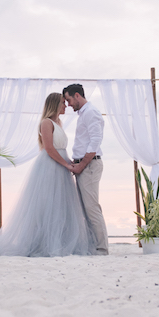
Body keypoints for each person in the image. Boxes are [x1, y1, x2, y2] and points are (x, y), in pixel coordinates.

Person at [0, 92, 96, 257]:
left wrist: (68, 163)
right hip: (51, 166)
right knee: (47, 205)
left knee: (61, 205)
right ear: (54, 104)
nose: (65, 105)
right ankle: (44, 243)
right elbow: (49, 148)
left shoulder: (58, 122)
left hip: (61, 166)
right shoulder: (46, 123)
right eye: (62, 102)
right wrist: (66, 164)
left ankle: (60, 240)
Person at [63, 83, 108, 255]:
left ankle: (102, 249)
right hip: (83, 165)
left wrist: (81, 165)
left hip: (89, 165)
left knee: (91, 208)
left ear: (77, 96)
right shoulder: (83, 114)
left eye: (68, 100)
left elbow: (95, 141)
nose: (67, 104)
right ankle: (93, 246)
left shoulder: (91, 113)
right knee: (86, 209)